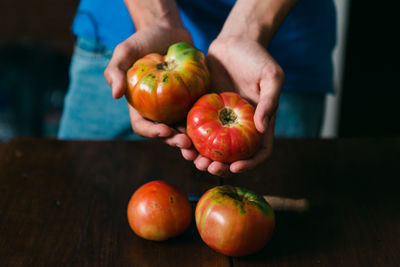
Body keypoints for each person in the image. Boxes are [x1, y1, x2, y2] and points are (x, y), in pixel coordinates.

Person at [58, 0, 336, 177]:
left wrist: (247, 31)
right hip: (126, 30)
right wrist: (156, 20)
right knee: (79, 194)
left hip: (275, 47)